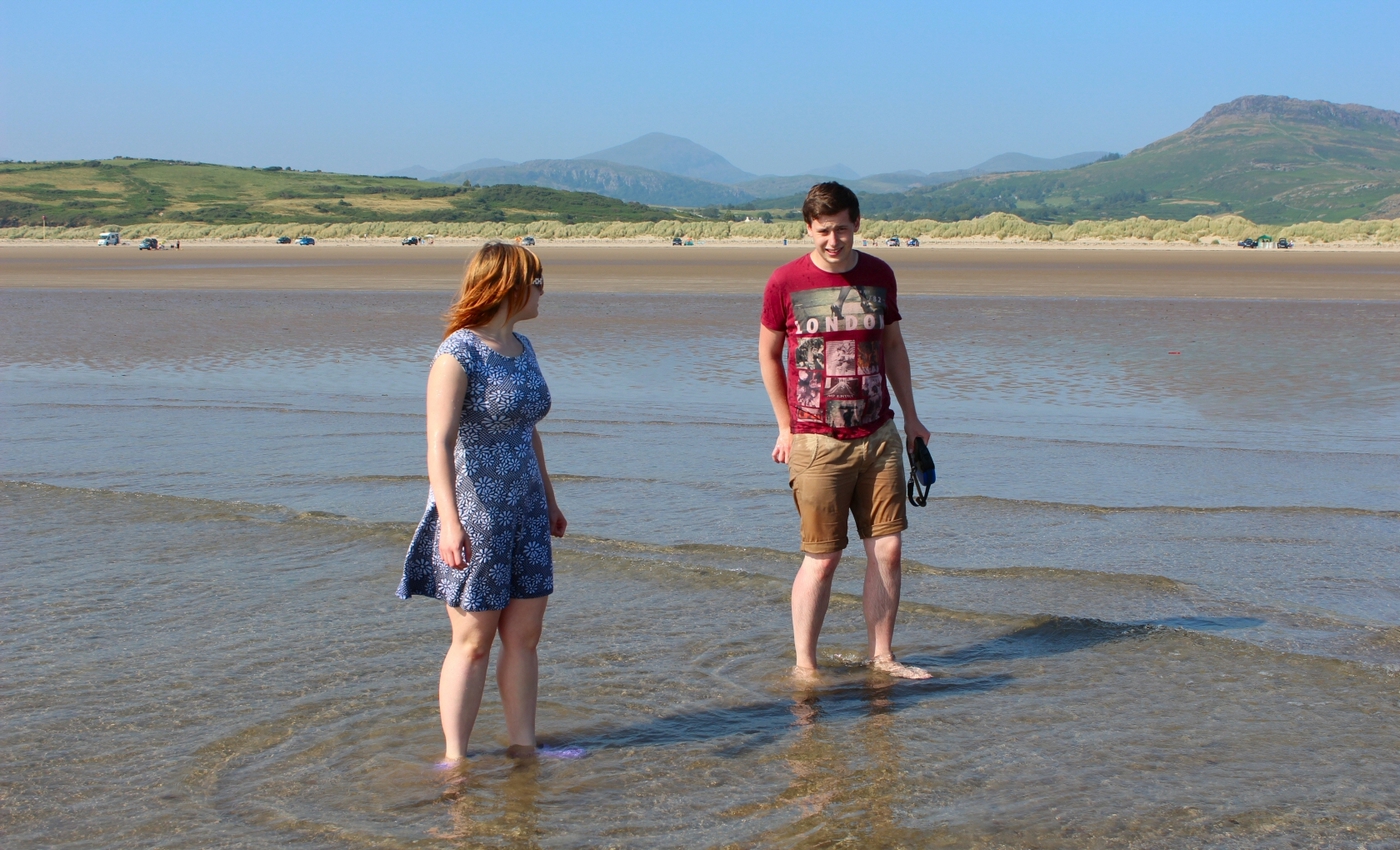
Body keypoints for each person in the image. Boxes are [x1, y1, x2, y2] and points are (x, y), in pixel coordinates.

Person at [398, 242, 567, 761]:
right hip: (477, 513)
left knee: (525, 637)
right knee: (473, 641)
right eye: (537, 282)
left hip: (526, 509)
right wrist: (449, 523)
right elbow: (438, 444)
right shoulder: (458, 352)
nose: (543, 292)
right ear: (510, 286)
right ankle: (455, 759)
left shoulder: (523, 346)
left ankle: (524, 747)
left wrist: (551, 500)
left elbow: (528, 431)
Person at [759, 182, 932, 680]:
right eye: (823, 231)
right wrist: (784, 426)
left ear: (857, 224)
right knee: (824, 556)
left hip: (880, 434)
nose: (833, 240)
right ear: (808, 229)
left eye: (841, 229)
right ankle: (805, 666)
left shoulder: (880, 274)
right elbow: (770, 355)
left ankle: (883, 656)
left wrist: (913, 417)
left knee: (889, 547)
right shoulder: (785, 281)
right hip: (815, 440)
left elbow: (894, 347)